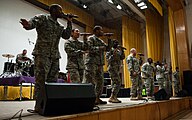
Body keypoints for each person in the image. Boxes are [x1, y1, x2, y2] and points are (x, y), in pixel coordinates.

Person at [20, 4, 72, 112]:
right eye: (60, 10)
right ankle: (38, 106)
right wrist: (27, 25)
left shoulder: (59, 26)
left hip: (54, 56)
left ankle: (48, 105)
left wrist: (69, 22)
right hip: (42, 54)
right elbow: (32, 23)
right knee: (41, 80)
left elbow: (66, 35)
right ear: (53, 10)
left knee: (52, 81)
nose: (62, 12)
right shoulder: (43, 18)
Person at [83, 25, 107, 105]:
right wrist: (100, 48)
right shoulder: (91, 38)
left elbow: (107, 48)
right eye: (101, 30)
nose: (102, 32)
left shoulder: (100, 40)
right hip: (91, 62)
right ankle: (89, 99)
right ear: (96, 30)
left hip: (99, 63)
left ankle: (97, 98)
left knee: (100, 82)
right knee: (90, 81)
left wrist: (109, 40)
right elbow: (89, 49)